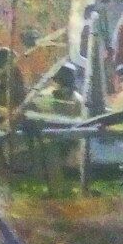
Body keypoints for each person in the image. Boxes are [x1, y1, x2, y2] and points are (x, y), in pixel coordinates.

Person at [30, 62, 88, 195]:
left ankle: (57, 189)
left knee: (52, 150)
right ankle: (55, 189)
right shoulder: (45, 96)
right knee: (50, 149)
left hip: (70, 140)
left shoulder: (78, 100)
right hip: (50, 138)